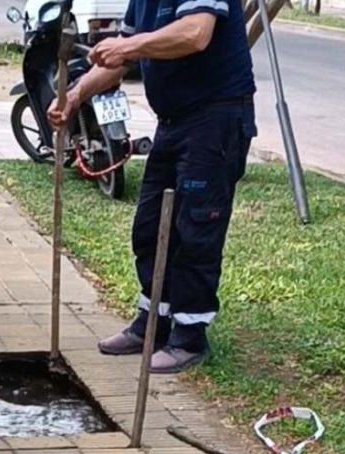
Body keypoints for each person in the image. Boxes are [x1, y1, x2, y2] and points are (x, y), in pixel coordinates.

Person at [48, 0, 257, 373]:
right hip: (173, 122)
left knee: (195, 229)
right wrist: (75, 95)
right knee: (150, 227)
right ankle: (152, 322)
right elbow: (119, 63)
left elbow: (195, 34)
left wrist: (128, 46)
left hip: (215, 119)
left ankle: (190, 336)